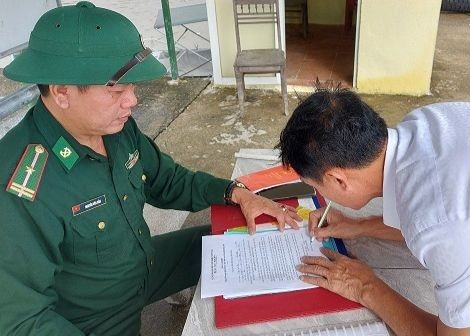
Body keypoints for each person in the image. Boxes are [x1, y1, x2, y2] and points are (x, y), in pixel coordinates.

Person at [0, 2, 300, 335]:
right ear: (61, 92)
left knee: (237, 245)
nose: (132, 101)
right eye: (116, 88)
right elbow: (22, 320)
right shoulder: (20, 184)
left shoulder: (115, 128)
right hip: (95, 318)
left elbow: (167, 180)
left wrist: (235, 193)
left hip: (143, 265)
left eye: (132, 87)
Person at [277, 88, 470, 336]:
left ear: (337, 178)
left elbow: (445, 223)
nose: (320, 195)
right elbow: (433, 218)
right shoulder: (424, 127)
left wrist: (366, 286)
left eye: (315, 187)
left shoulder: (448, 218)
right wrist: (357, 226)